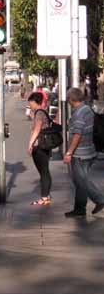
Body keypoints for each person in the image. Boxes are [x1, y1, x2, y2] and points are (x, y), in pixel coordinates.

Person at [63, 87, 104, 217]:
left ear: (71, 99)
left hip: (80, 153)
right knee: (79, 181)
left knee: (81, 180)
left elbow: (77, 134)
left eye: (68, 99)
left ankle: (99, 199)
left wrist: (69, 152)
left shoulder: (78, 113)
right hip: (89, 150)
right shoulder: (87, 109)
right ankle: (79, 208)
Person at [27, 93, 52, 206]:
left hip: (40, 146)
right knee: (44, 171)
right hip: (45, 146)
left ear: (34, 102)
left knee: (44, 172)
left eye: (30, 103)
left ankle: (44, 197)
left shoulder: (39, 113)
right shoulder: (43, 112)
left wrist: (30, 144)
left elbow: (37, 129)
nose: (29, 105)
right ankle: (46, 196)